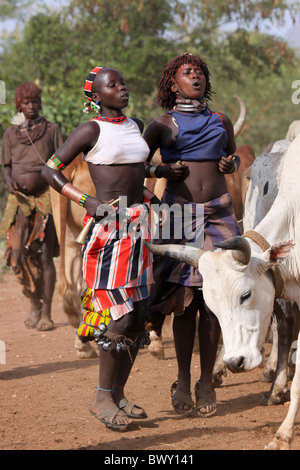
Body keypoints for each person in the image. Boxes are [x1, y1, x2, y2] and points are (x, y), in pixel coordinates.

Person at [42, 66, 155, 431]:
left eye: (123, 82)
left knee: (138, 317)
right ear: (96, 95)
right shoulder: (91, 130)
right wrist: (85, 199)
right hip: (108, 229)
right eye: (113, 84)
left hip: (139, 225)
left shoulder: (134, 124)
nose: (122, 88)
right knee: (119, 315)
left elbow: (137, 174)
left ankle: (119, 393)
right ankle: (101, 397)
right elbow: (51, 168)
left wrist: (152, 195)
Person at [144, 52, 241, 417]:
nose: (195, 76)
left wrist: (231, 163)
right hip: (179, 218)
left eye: (200, 71)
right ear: (174, 83)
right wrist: (162, 169)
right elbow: (138, 163)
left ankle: (205, 381)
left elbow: (232, 157)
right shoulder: (162, 124)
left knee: (214, 302)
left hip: (219, 214)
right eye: (187, 72)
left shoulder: (221, 120)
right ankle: (183, 379)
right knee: (184, 302)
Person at [0, 82, 63, 331]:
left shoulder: (51, 130)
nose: (31, 107)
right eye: (26, 103)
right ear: (18, 105)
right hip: (18, 201)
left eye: (35, 102)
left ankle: (46, 314)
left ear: (40, 103)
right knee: (18, 254)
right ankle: (34, 304)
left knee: (45, 255)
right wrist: (8, 182)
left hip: (45, 199)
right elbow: (6, 167)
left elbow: (61, 160)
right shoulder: (10, 134)